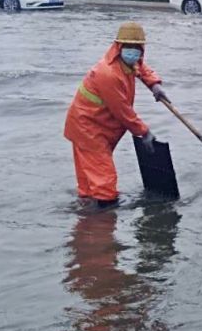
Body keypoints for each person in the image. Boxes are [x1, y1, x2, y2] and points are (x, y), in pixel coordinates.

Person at [64, 22, 169, 206]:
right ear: (118, 47)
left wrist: (154, 84)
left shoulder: (128, 63)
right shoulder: (108, 74)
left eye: (137, 48)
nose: (133, 52)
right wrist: (144, 132)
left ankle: (87, 221)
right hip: (88, 128)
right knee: (105, 186)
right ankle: (104, 222)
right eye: (128, 47)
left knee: (89, 184)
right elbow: (123, 111)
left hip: (98, 126)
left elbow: (141, 68)